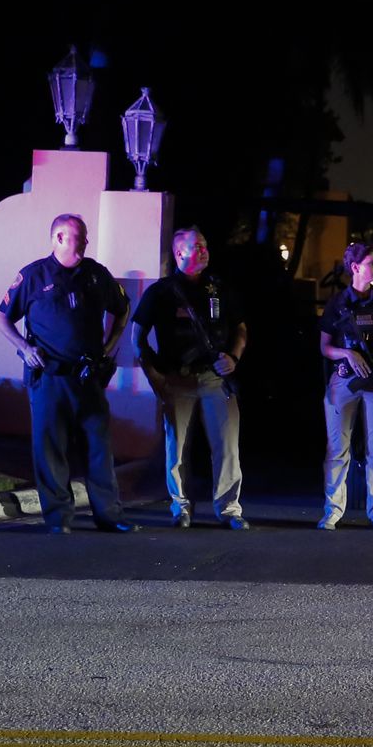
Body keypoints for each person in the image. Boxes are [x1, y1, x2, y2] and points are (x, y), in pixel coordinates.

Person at [0, 213, 137, 534]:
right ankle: (59, 518)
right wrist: (24, 348)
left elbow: (122, 308)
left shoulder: (97, 275)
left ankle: (109, 516)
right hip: (50, 377)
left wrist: (110, 344)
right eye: (80, 237)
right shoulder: (32, 276)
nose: (86, 242)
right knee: (51, 448)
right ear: (59, 238)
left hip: (88, 377)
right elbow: (2, 318)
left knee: (99, 448)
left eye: (85, 237)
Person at [132, 227, 249, 529]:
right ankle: (180, 507)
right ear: (179, 253)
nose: (204, 250)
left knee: (227, 445)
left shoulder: (218, 287)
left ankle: (229, 509)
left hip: (214, 378)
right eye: (196, 246)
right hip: (177, 379)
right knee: (178, 447)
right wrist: (154, 375)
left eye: (205, 244)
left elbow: (240, 328)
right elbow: (137, 336)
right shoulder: (161, 291)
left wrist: (233, 357)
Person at [317, 242, 373, 531]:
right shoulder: (337, 303)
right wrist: (347, 353)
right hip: (345, 381)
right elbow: (325, 347)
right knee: (337, 449)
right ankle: (332, 511)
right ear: (355, 268)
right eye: (372, 263)